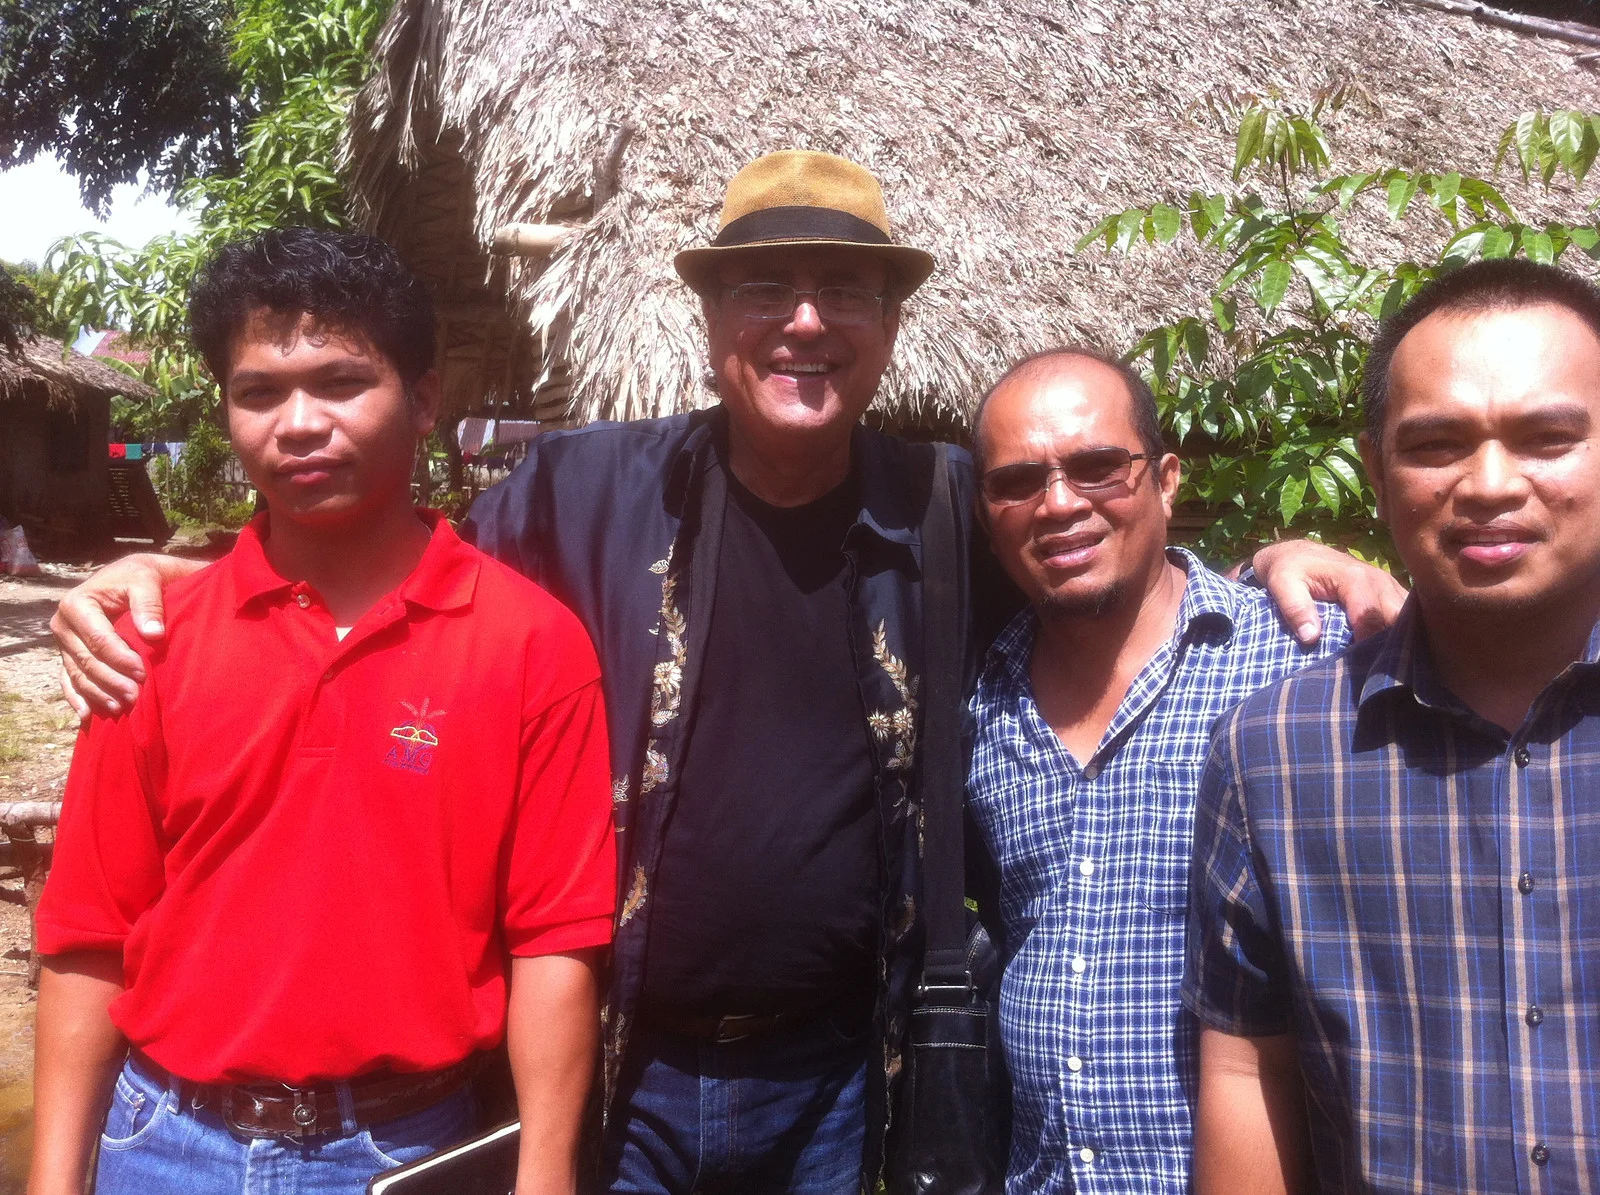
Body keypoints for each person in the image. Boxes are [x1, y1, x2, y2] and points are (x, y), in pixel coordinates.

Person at [49, 152, 1397, 1194]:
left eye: (845, 289)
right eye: (764, 287)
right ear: (706, 316)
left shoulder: (943, 509)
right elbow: (376, 570)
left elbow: (1094, 548)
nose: (804, 320)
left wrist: (1289, 555)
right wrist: (171, 573)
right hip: (620, 1064)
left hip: (836, 1076)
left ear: (890, 321)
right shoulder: (579, 491)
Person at [27, 228, 617, 1195]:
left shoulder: (530, 645)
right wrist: (54, 1181)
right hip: (166, 1144)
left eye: (342, 383)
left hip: (407, 1149)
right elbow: (91, 929)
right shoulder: (150, 642)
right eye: (259, 392)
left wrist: (544, 1176)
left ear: (423, 400)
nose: (298, 423)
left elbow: (554, 938)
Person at [1185, 257, 1600, 1194]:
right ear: (1376, 471)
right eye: (1437, 444)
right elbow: (1251, 1069)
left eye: (1546, 437)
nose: (1489, 484)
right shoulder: (1275, 753)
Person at [965, 349, 1354, 1194]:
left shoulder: (1306, 660)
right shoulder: (982, 703)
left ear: (1168, 481)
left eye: (1098, 467)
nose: (1059, 503)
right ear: (987, 515)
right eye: (1018, 481)